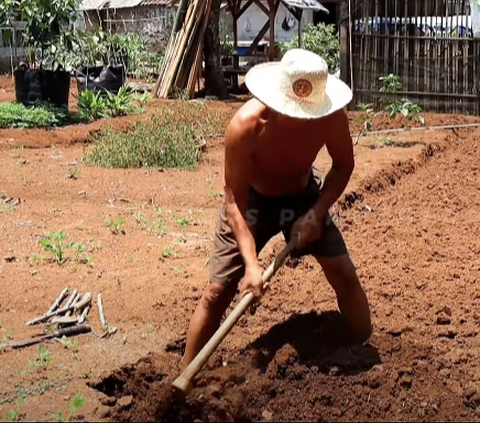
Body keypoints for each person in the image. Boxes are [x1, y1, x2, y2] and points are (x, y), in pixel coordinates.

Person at [181, 49, 372, 368]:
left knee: (343, 271)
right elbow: (234, 202)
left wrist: (316, 212)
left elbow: (343, 165)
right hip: (251, 203)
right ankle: (184, 376)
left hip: (303, 196)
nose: (303, 122)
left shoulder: (331, 117)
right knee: (217, 292)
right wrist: (251, 264)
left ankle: (363, 345)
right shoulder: (245, 127)